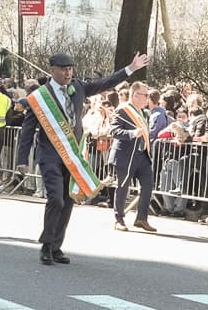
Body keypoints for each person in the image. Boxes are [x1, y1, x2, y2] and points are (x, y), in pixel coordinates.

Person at [17, 49, 149, 265]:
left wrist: (130, 69)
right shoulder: (40, 97)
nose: (68, 73)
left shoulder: (77, 87)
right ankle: (46, 244)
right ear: (52, 71)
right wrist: (22, 159)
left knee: (68, 200)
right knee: (56, 199)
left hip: (73, 154)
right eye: (63, 69)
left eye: (70, 69)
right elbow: (27, 130)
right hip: (50, 155)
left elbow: (105, 83)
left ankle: (57, 246)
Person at [110, 81, 159, 233]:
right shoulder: (123, 110)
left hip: (141, 155)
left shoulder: (143, 112)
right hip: (125, 154)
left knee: (148, 184)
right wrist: (131, 133)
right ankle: (119, 219)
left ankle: (141, 218)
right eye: (145, 95)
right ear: (135, 95)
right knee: (123, 186)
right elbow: (114, 131)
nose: (147, 98)